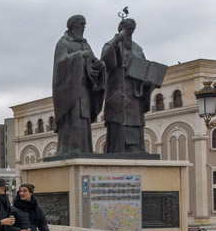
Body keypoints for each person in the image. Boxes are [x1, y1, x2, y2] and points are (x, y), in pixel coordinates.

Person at [52, 14, 106, 157]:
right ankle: (69, 150)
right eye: (82, 24)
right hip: (69, 91)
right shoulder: (63, 43)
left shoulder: (85, 44)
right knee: (73, 120)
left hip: (84, 89)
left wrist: (99, 65)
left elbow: (92, 63)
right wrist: (80, 55)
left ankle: (84, 150)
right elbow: (60, 64)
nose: (84, 27)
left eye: (85, 24)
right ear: (72, 26)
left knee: (84, 120)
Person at [100, 18, 155, 154]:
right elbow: (105, 63)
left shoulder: (137, 48)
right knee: (119, 120)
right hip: (118, 90)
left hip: (135, 93)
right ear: (121, 28)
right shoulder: (110, 44)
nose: (130, 32)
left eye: (133, 29)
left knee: (135, 121)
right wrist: (116, 41)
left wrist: (147, 83)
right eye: (128, 29)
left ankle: (137, 149)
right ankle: (118, 149)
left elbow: (144, 68)